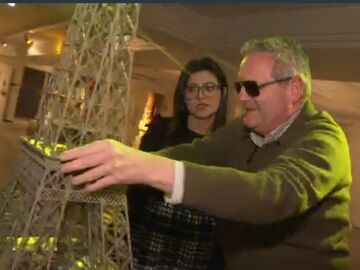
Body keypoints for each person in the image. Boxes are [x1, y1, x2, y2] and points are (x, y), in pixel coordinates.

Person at [60, 37, 352, 270]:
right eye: (239, 87)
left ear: (294, 89)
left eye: (252, 88)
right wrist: (126, 164)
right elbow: (195, 152)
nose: (242, 97)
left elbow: (271, 194)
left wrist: (148, 168)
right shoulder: (242, 130)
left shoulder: (324, 140)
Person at [128, 57, 229, 269]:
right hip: (151, 234)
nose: (200, 95)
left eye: (209, 87)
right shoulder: (160, 131)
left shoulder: (230, 143)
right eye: (192, 89)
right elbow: (137, 189)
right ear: (182, 96)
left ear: (223, 92)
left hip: (199, 245)